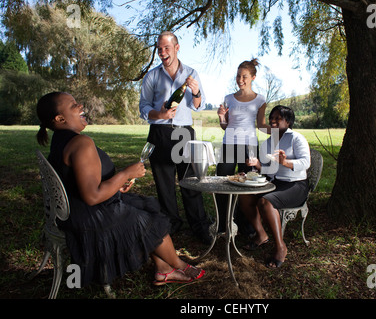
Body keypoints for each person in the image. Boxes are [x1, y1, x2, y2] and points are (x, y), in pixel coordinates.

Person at [36, 92, 205, 288]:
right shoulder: (81, 143)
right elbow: (92, 196)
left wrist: (116, 185)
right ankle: (178, 265)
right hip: (90, 217)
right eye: (73, 105)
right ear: (60, 118)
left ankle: (163, 269)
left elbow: (79, 182)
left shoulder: (60, 140)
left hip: (74, 212)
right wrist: (125, 173)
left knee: (146, 205)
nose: (80, 105)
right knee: (151, 220)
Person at [139, 31, 212, 244]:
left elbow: (198, 107)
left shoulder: (190, 73)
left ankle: (199, 225)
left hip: (183, 133)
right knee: (164, 185)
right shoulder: (152, 76)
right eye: (159, 49)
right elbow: (143, 107)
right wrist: (159, 114)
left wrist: (196, 92)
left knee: (190, 181)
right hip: (159, 133)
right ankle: (172, 223)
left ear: (177, 47)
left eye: (166, 48)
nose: (162, 53)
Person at [239, 105, 310, 268]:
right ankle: (261, 235)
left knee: (265, 202)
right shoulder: (268, 142)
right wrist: (257, 165)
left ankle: (280, 247)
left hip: (296, 184)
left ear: (288, 121)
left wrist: (286, 162)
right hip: (275, 183)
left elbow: (306, 162)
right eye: (272, 118)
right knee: (244, 196)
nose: (273, 121)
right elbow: (268, 169)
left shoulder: (296, 138)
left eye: (278, 118)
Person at [215, 58, 271, 234]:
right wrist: (221, 117)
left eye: (244, 76)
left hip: (250, 146)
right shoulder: (228, 99)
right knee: (223, 183)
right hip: (229, 143)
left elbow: (261, 125)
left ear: (253, 77)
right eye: (238, 76)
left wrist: (280, 130)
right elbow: (225, 126)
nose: (240, 79)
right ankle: (223, 223)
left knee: (247, 186)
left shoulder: (260, 100)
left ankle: (246, 226)